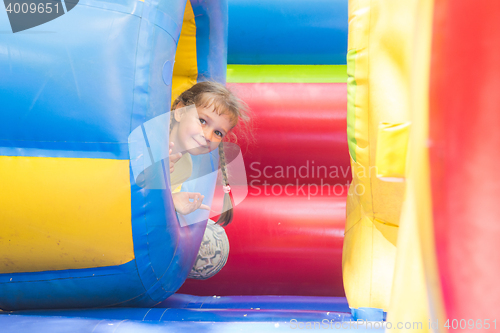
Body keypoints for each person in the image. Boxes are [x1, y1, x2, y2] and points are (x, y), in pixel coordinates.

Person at [168, 81, 249, 226]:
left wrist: (172, 200)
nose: (208, 136)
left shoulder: (185, 167)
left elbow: (150, 205)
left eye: (218, 133)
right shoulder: (151, 144)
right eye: (202, 121)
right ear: (180, 111)